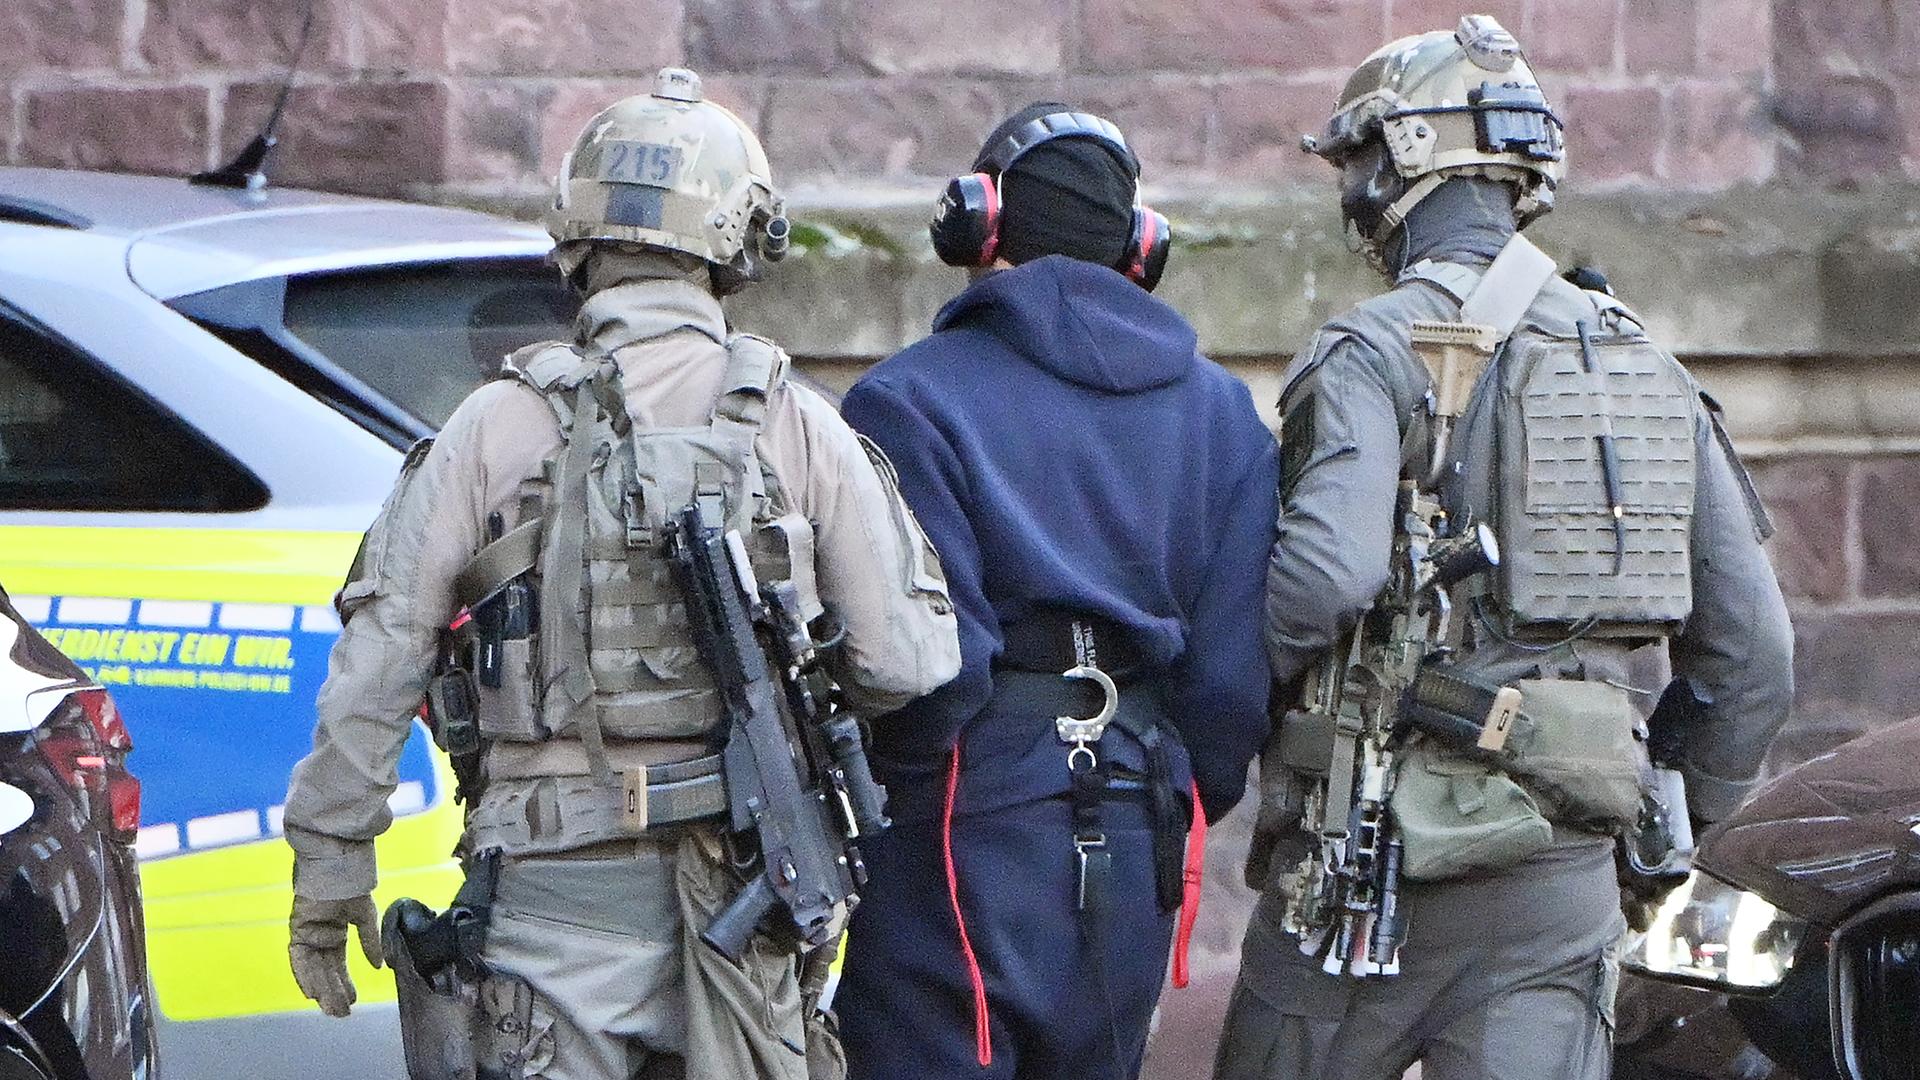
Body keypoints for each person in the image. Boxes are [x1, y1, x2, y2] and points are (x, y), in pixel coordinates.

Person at [280, 67, 961, 1080]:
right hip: (749, 884)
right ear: (742, 236)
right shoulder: (797, 424)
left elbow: (380, 659)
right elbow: (908, 661)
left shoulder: (495, 425)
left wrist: (331, 870)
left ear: (576, 231)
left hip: (549, 905)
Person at [1215, 16, 1794, 1080]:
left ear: (1408, 161)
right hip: (1560, 882)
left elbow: (1325, 580)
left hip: (1368, 877)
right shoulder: (1652, 369)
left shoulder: (1369, 351)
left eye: (1360, 163)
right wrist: (1651, 827)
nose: (1352, 194)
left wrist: (1230, 715)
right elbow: (1754, 657)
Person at [833, 103, 1280, 1080]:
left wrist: (895, 811)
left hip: (962, 820)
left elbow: (926, 672)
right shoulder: (1225, 415)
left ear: (979, 224)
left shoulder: (906, 401)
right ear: (1139, 245)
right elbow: (1232, 685)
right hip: (1142, 811)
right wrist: (1173, 787)